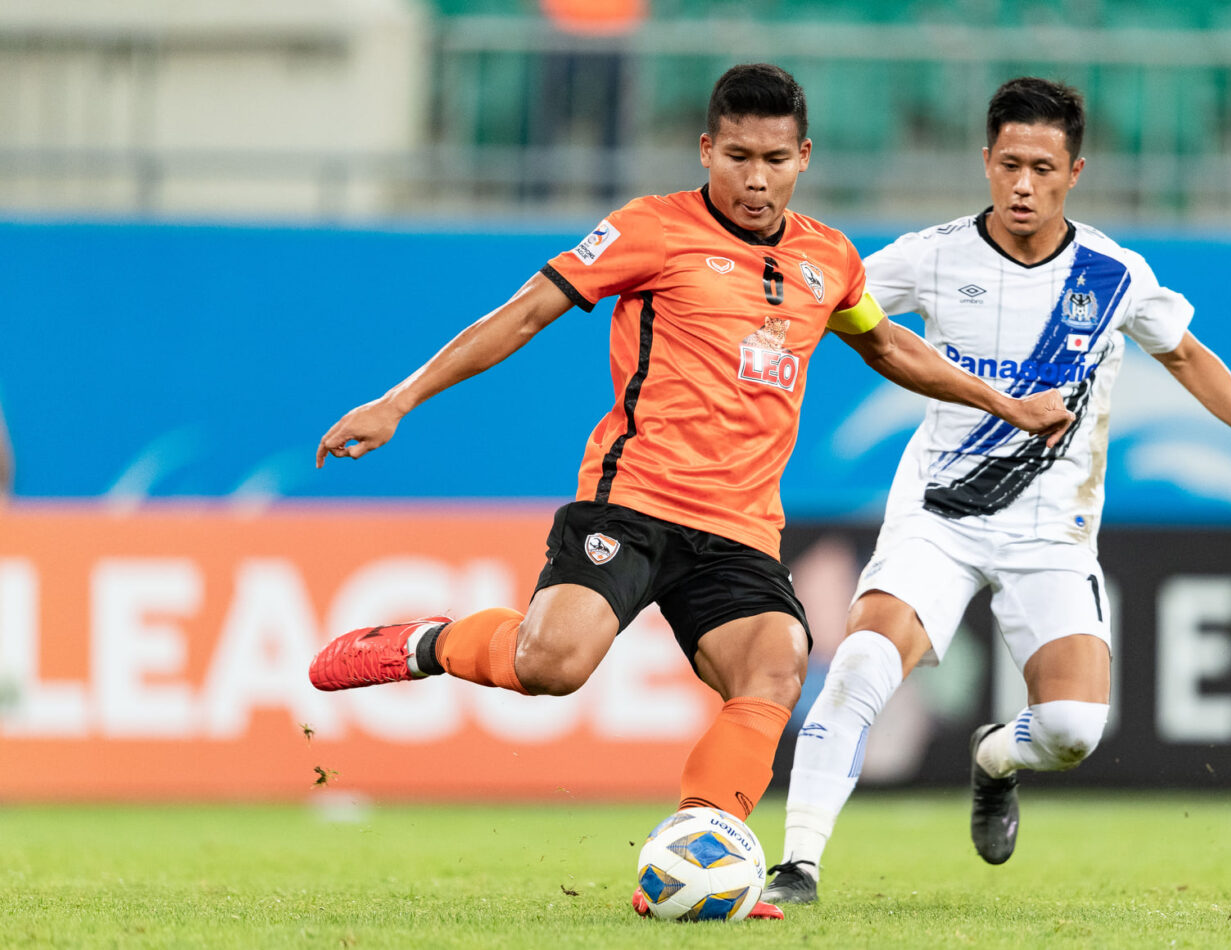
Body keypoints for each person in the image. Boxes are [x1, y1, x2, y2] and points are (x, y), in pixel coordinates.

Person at [307, 63, 1074, 919]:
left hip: (741, 530)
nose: (755, 178)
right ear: (706, 148)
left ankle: (701, 864)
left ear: (804, 156)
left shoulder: (830, 258)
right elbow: (524, 313)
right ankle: (427, 643)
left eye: (775, 158)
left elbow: (889, 346)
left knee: (777, 664)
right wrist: (398, 400)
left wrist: (1004, 403)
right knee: (551, 665)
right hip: (633, 501)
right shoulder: (651, 231)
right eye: (737, 155)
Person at [763, 77, 1231, 905]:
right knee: (862, 660)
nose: (1023, 185)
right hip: (938, 516)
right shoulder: (932, 255)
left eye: (1043, 167)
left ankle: (993, 759)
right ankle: (797, 865)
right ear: (985, 161)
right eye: (1009, 164)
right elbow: (825, 302)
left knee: (1075, 731)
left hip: (1052, 534)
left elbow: (1185, 355)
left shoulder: (1113, 274)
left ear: (1074, 171)